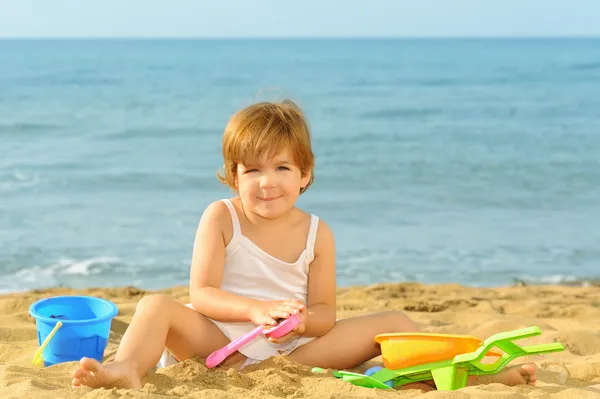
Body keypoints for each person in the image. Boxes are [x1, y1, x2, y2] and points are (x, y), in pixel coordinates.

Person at [71, 100, 537, 391]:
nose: (266, 183)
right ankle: (128, 368)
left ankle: (474, 373)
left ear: (305, 174)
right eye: (251, 170)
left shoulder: (319, 233)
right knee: (155, 306)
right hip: (218, 346)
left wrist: (298, 321)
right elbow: (202, 294)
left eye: (281, 169)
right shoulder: (221, 216)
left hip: (290, 355)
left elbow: (325, 314)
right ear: (233, 175)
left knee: (394, 322)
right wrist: (256, 311)